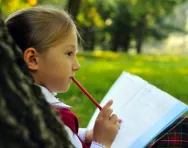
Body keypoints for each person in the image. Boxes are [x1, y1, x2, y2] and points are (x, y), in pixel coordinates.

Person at [5, 7, 120, 148]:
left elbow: (68, 137)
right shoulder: (49, 118)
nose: (77, 65)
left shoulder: (19, 105)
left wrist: (88, 136)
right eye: (69, 53)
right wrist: (102, 143)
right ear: (33, 59)